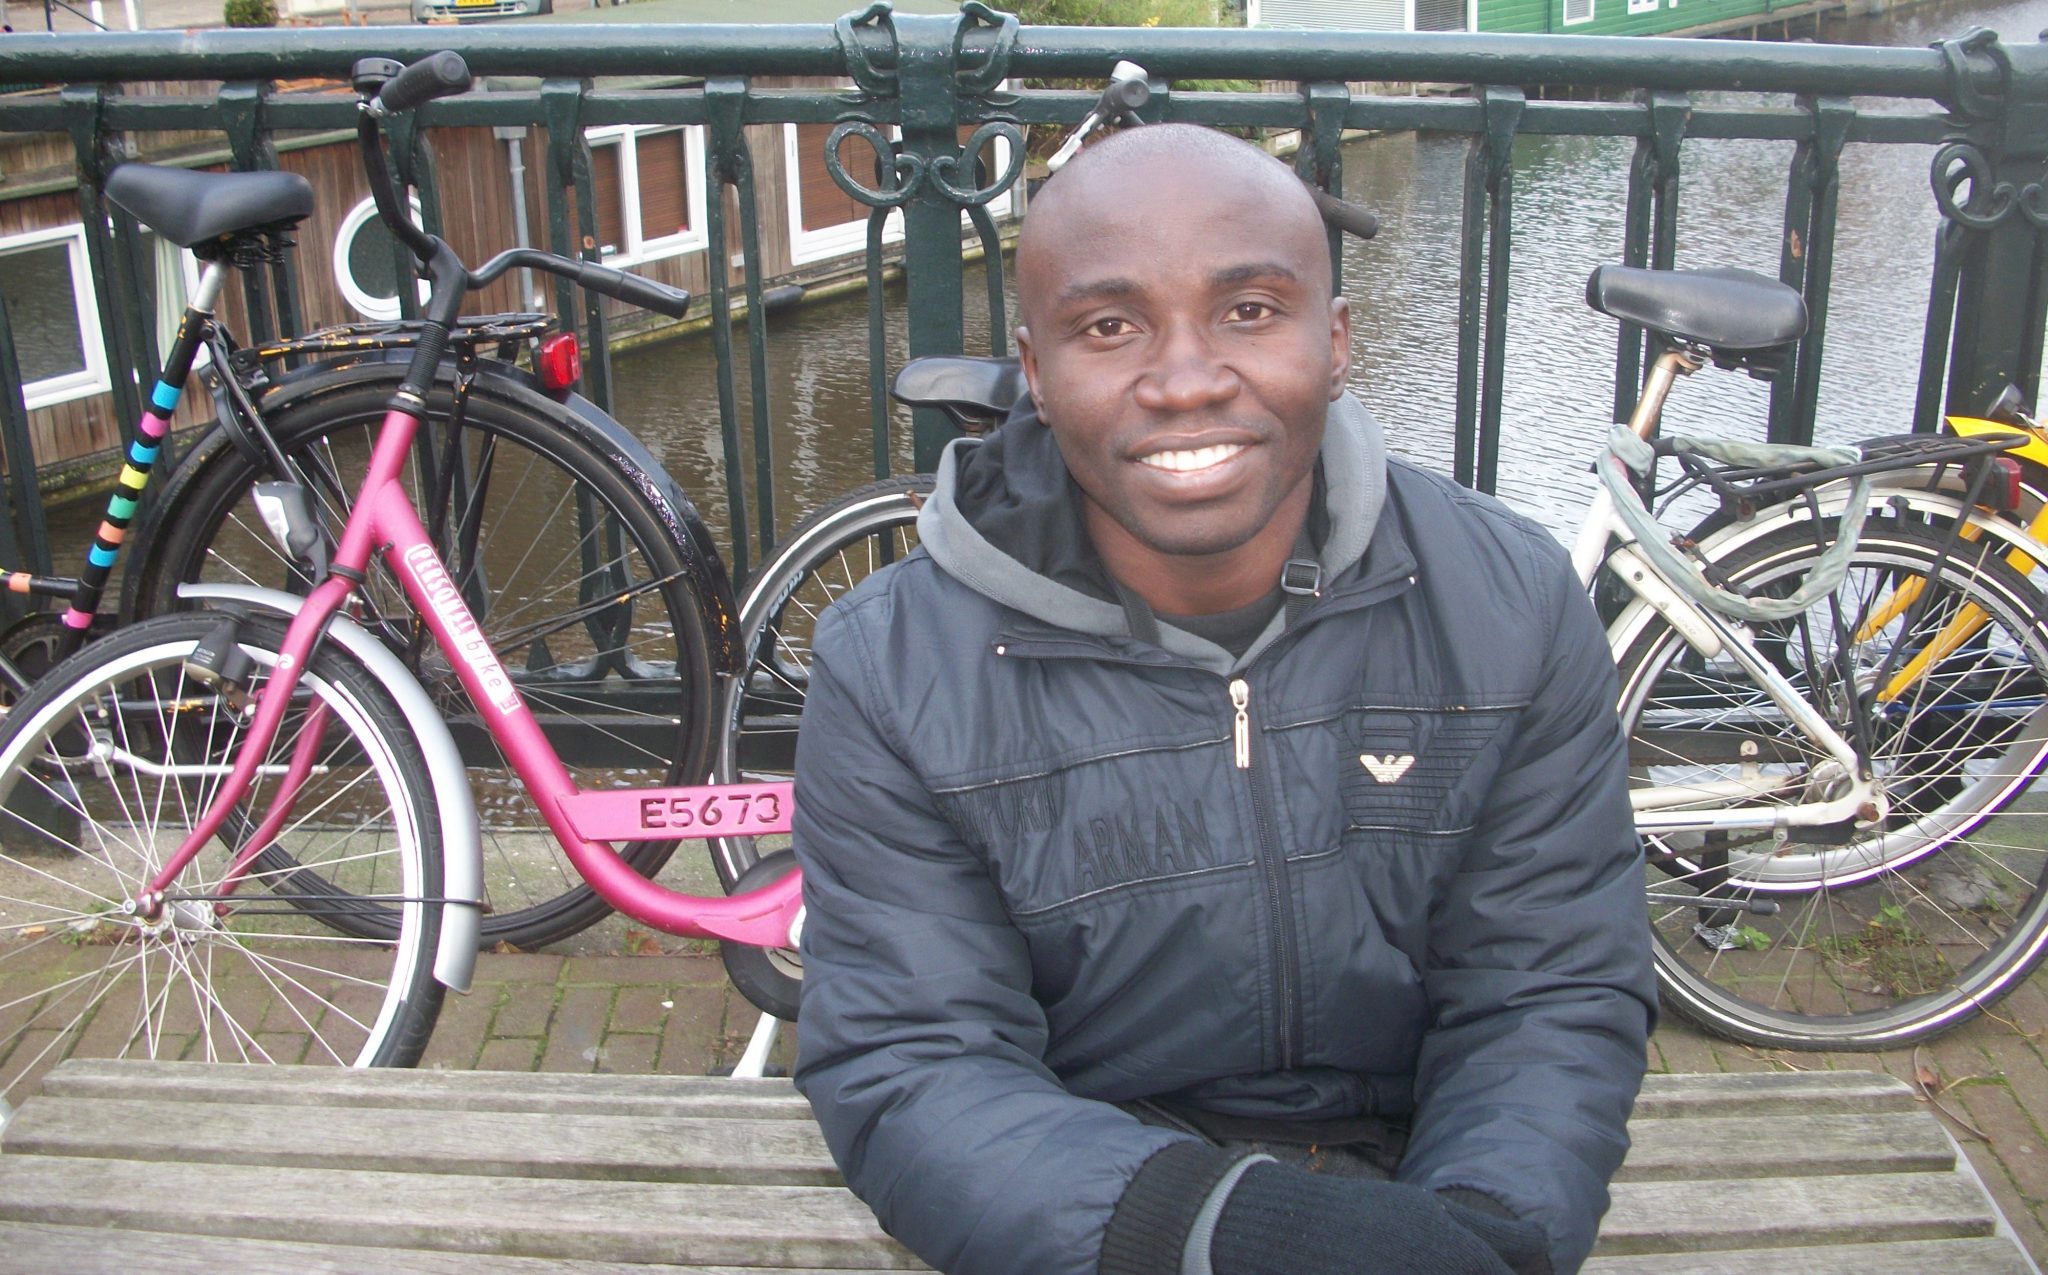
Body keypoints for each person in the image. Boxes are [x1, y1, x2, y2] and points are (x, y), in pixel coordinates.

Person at [790, 122, 1655, 1275]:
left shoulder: (1508, 601)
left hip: (1433, 1186)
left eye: (1248, 310)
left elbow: (1545, 988)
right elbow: (915, 1062)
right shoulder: (894, 667)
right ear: (1035, 373)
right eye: (1110, 327)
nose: (1186, 379)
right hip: (1094, 1214)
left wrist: (1481, 1229)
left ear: (1333, 341)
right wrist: (1214, 1230)